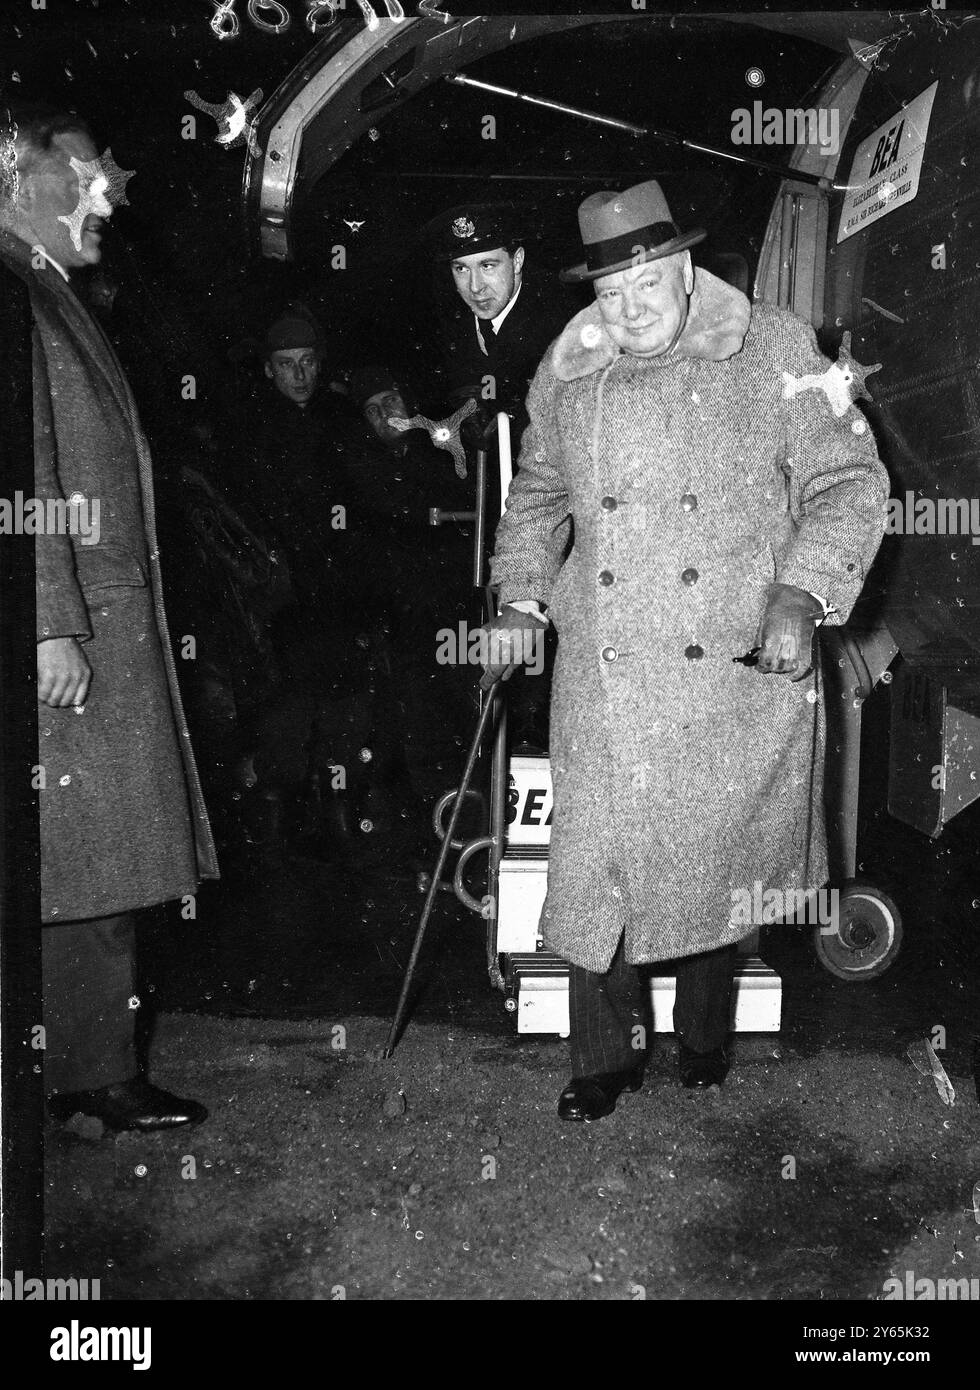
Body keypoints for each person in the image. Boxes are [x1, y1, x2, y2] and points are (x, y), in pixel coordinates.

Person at [484, 180, 889, 1121]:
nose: (627, 310)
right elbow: (540, 496)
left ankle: (704, 1039)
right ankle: (602, 1061)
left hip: (732, 665)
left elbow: (852, 484)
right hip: (606, 665)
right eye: (609, 291)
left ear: (685, 270)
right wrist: (520, 597)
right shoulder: (567, 370)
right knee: (600, 871)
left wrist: (803, 591)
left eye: (647, 286)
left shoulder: (775, 349)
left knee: (710, 857)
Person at [0, 100, 219, 1131]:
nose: (104, 197)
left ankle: (88, 1073)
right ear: (19, 179)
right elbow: (21, 474)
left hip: (98, 619)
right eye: (80, 175)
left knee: (97, 861)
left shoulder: (46, 289)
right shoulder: (14, 289)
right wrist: (49, 618)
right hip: (73, 625)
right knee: (85, 859)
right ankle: (86, 1078)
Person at [338, 366, 475, 844]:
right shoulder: (364, 467)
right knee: (423, 729)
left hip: (462, 613)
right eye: (372, 411)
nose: (384, 417)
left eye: (390, 402)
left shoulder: (447, 445)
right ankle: (438, 839)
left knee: (467, 718)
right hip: (409, 622)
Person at [420, 202, 574, 447]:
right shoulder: (442, 311)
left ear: (517, 261)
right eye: (461, 268)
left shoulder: (561, 323)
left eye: (487, 266)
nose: (475, 287)